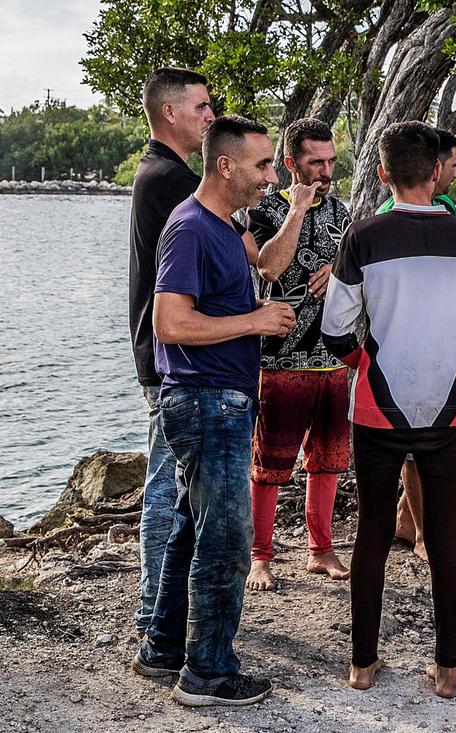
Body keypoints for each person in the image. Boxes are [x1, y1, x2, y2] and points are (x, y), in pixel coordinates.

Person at [321, 121, 456, 698]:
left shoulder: (363, 237)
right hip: (448, 407)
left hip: (379, 407)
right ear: (439, 171)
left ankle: (362, 666)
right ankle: (448, 672)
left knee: (372, 531)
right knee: (445, 537)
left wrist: (362, 363)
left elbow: (335, 331)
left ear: (382, 174)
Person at [133, 116, 295, 707]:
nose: (270, 177)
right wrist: (255, 320)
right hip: (205, 401)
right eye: (262, 166)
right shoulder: (192, 227)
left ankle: (163, 649)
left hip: (218, 399)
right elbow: (169, 323)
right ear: (225, 165)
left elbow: (262, 272)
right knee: (226, 538)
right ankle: (207, 674)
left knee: (187, 528)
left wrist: (257, 315)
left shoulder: (226, 228)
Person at [128, 67, 259, 636]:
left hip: (170, 357)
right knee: (171, 494)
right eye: (202, 107)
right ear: (170, 114)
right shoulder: (172, 183)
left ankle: (164, 618)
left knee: (178, 495)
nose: (210, 116)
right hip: (180, 364)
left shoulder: (161, 175)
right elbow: (254, 256)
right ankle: (159, 613)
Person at [244, 117, 353, 591]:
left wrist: (335, 270)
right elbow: (269, 267)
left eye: (331, 161)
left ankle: (319, 548)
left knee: (327, 460)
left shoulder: (342, 211)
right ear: (291, 164)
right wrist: (297, 210)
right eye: (316, 163)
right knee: (269, 463)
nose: (326, 172)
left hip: (332, 358)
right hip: (278, 358)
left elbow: (357, 273)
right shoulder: (264, 207)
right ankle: (260, 555)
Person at [375, 128, 456, 562]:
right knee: (416, 453)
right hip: (410, 361)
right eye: (452, 165)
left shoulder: (449, 212)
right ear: (434, 169)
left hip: (448, 358)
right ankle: (421, 534)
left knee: (444, 450)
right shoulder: (386, 219)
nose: (455, 173)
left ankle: (408, 521)